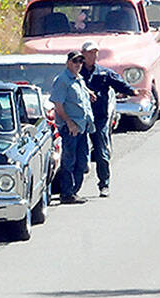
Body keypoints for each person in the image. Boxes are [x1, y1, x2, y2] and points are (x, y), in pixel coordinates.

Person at [79, 41, 134, 197]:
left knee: (102, 153)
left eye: (95, 52)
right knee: (79, 155)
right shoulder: (76, 72)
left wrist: (133, 92)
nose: (93, 55)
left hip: (99, 119)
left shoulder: (104, 73)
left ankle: (104, 184)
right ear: (83, 54)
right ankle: (71, 190)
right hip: (80, 119)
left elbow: (120, 85)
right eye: (89, 52)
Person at [49, 51, 94, 204]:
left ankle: (74, 191)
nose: (78, 65)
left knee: (82, 161)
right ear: (68, 62)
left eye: (81, 62)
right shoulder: (62, 80)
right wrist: (69, 122)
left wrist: (89, 93)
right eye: (75, 61)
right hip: (71, 128)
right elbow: (58, 104)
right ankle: (66, 193)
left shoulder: (78, 79)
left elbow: (78, 91)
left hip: (82, 126)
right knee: (69, 161)